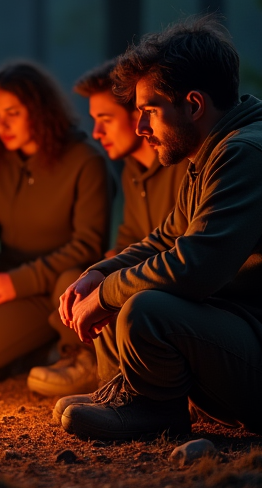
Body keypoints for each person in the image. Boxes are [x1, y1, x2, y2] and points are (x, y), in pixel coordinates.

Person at [56, 15, 262, 440]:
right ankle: (129, 392)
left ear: (193, 105)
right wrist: (100, 274)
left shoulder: (248, 154)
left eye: (149, 110)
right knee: (121, 290)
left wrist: (108, 294)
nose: (140, 126)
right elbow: (166, 240)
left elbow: (195, 268)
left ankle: (154, 410)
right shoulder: (212, 154)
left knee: (144, 307)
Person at [0, 62, 111, 388]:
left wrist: (21, 281)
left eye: (12, 113)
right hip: (1, 280)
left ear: (39, 109)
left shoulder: (85, 161)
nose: (1, 125)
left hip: (51, 291)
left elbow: (88, 245)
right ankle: (10, 360)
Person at [27, 59, 187, 397]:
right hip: (153, 282)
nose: (97, 133)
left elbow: (186, 254)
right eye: (94, 121)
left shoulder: (183, 168)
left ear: (139, 116)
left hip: (174, 295)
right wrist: (112, 261)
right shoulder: (133, 169)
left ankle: (116, 382)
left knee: (123, 289)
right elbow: (132, 235)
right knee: (93, 273)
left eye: (105, 120)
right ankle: (96, 367)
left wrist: (115, 276)